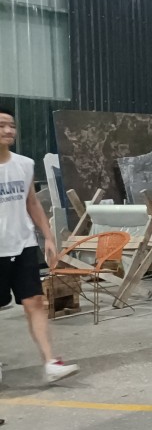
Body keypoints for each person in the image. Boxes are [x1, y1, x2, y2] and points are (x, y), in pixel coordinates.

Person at [0, 106, 78, 382]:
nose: (8, 130)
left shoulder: (24, 164)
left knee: (34, 302)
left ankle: (50, 362)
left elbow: (31, 202)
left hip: (23, 245)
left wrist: (48, 236)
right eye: (2, 125)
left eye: (12, 125)